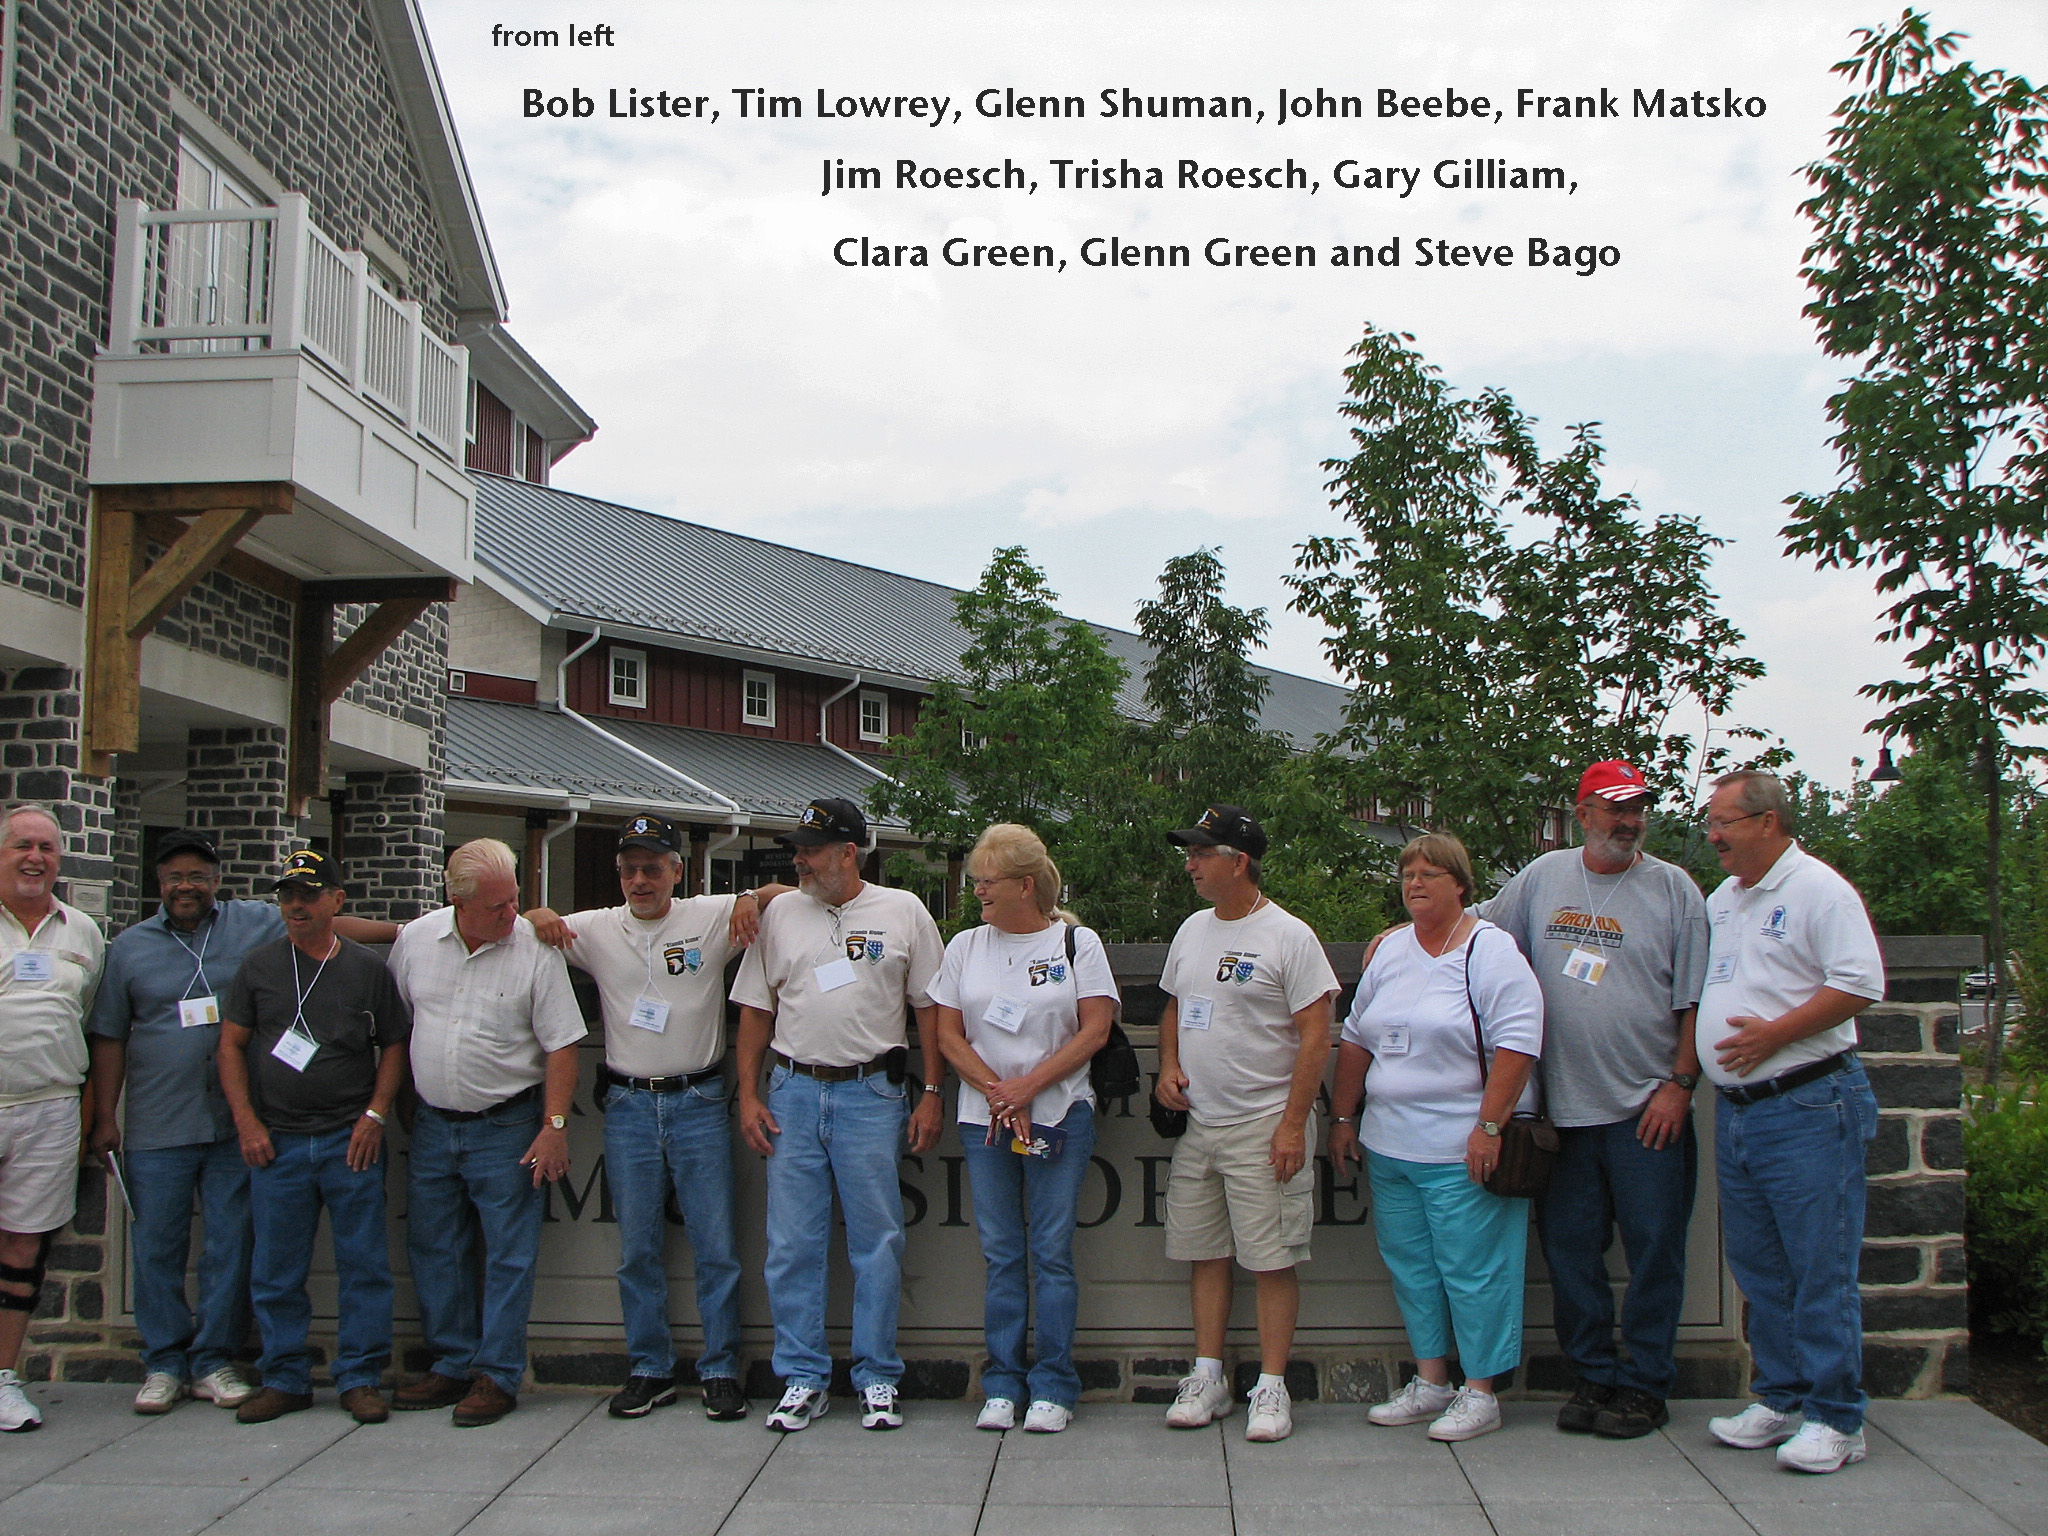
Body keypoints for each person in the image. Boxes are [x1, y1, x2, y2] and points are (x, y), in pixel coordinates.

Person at [88, 829, 399, 1416]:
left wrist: (415, 932)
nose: (186, 886)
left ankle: (224, 1360)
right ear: (159, 884)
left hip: (276, 1132)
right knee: (165, 1249)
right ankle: (175, 1365)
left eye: (197, 876)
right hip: (174, 1124)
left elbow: (337, 940)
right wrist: (104, 1115)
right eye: (174, 877)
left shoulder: (259, 926)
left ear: (216, 881)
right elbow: (112, 1036)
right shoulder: (132, 949)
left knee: (237, 1250)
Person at [525, 814, 786, 1422]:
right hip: (628, 1107)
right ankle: (650, 1368)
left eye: (652, 868)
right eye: (630, 870)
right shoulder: (596, 928)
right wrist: (538, 914)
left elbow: (782, 894)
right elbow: (531, 925)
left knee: (715, 1247)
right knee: (637, 1249)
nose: (640, 880)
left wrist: (749, 897)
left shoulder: (706, 917)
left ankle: (720, 1370)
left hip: (699, 1103)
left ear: (677, 870)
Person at [1479, 761, 1708, 1438]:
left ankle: (1645, 1386)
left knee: (1654, 1252)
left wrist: (1680, 1085)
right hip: (1563, 1116)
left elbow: (1697, 999)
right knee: (1571, 1254)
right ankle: (1592, 1377)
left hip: (1647, 1113)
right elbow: (1479, 933)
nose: (1629, 821)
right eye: (1615, 809)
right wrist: (1401, 936)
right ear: (1582, 814)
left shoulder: (1674, 889)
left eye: (1637, 808)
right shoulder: (1542, 877)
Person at [731, 797, 944, 1433]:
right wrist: (748, 1094)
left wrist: (933, 1091)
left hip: (871, 1094)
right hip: (792, 1092)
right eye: (797, 849)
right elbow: (755, 1010)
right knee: (791, 1244)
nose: (798, 860)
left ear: (849, 853)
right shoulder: (778, 913)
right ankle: (802, 1377)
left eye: (811, 850)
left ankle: (878, 1377)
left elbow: (930, 1008)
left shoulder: (904, 910)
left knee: (877, 1242)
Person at [1696, 770, 1883, 1475]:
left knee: (1819, 1265)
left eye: (1723, 822)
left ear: (1767, 822)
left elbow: (1860, 984)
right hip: (1740, 1112)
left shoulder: (1818, 891)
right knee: (1760, 1265)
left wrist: (1774, 1035)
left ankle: (1837, 1418)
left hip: (1808, 1103)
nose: (1712, 835)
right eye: (1710, 822)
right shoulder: (1723, 899)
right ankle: (1780, 1397)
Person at [1330, 832, 1544, 1443]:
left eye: (1429, 874)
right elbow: (1357, 1038)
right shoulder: (1390, 951)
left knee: (1475, 1271)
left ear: (1461, 885)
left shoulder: (1489, 950)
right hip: (1390, 1145)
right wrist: (1342, 1118)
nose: (1415, 883)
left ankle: (1481, 1391)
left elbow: (1519, 1041)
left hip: (1462, 1148)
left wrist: (1488, 1126)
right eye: (1407, 875)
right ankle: (1431, 1380)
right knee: (1413, 1268)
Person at [1154, 804, 1336, 1444]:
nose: (1191, 864)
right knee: (1204, 1253)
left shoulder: (1289, 936)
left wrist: (1293, 1124)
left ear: (1240, 862)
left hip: (1265, 1122)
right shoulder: (1191, 930)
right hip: (1200, 1124)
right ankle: (1209, 1377)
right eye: (1190, 853)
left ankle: (1273, 1386)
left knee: (1271, 1259)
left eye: (1202, 853)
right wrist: (1168, 1065)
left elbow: (1317, 1035)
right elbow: (1173, 1007)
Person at [388, 838, 586, 1427]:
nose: (512, 913)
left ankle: (497, 1374)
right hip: (431, 1124)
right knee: (434, 1247)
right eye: (497, 906)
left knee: (508, 1255)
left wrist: (554, 1126)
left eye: (515, 899)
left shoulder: (535, 951)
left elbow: (563, 1045)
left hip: (506, 1126)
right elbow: (399, 1024)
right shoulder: (416, 941)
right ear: (458, 901)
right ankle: (451, 1362)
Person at [929, 824, 1117, 1435]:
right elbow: (948, 1035)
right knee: (1002, 1253)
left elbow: (1095, 1030)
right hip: (985, 1120)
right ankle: (1003, 1382)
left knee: (1052, 1253)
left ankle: (1054, 1384)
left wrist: (1027, 1088)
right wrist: (999, 1092)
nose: (978, 891)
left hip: (1059, 1114)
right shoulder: (964, 947)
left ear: (1026, 885)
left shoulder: (1077, 943)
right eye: (977, 881)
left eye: (988, 881)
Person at [215, 850, 411, 1425]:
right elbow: (231, 1046)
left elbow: (393, 1045)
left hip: (350, 1141)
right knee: (276, 1269)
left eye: (309, 894)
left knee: (364, 1266)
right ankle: (284, 1378)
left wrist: (375, 1115)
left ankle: (360, 1377)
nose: (296, 905)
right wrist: (247, 1122)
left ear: (336, 901)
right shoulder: (258, 967)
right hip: (276, 1142)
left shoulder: (367, 970)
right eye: (288, 896)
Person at [0, 804, 106, 1433]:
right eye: (22, 845)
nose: (34, 858)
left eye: (46, 848)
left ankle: (3, 1378)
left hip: (50, 1109)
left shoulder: (83, 932)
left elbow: (86, 1018)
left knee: (23, 1247)